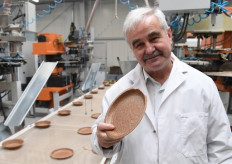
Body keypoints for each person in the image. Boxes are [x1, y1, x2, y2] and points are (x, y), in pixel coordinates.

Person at [91, 7, 232, 164]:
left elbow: (222, 150)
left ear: (169, 35)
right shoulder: (118, 93)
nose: (149, 49)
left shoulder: (203, 86)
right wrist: (104, 141)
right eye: (139, 45)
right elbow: (100, 141)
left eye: (154, 38)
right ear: (132, 49)